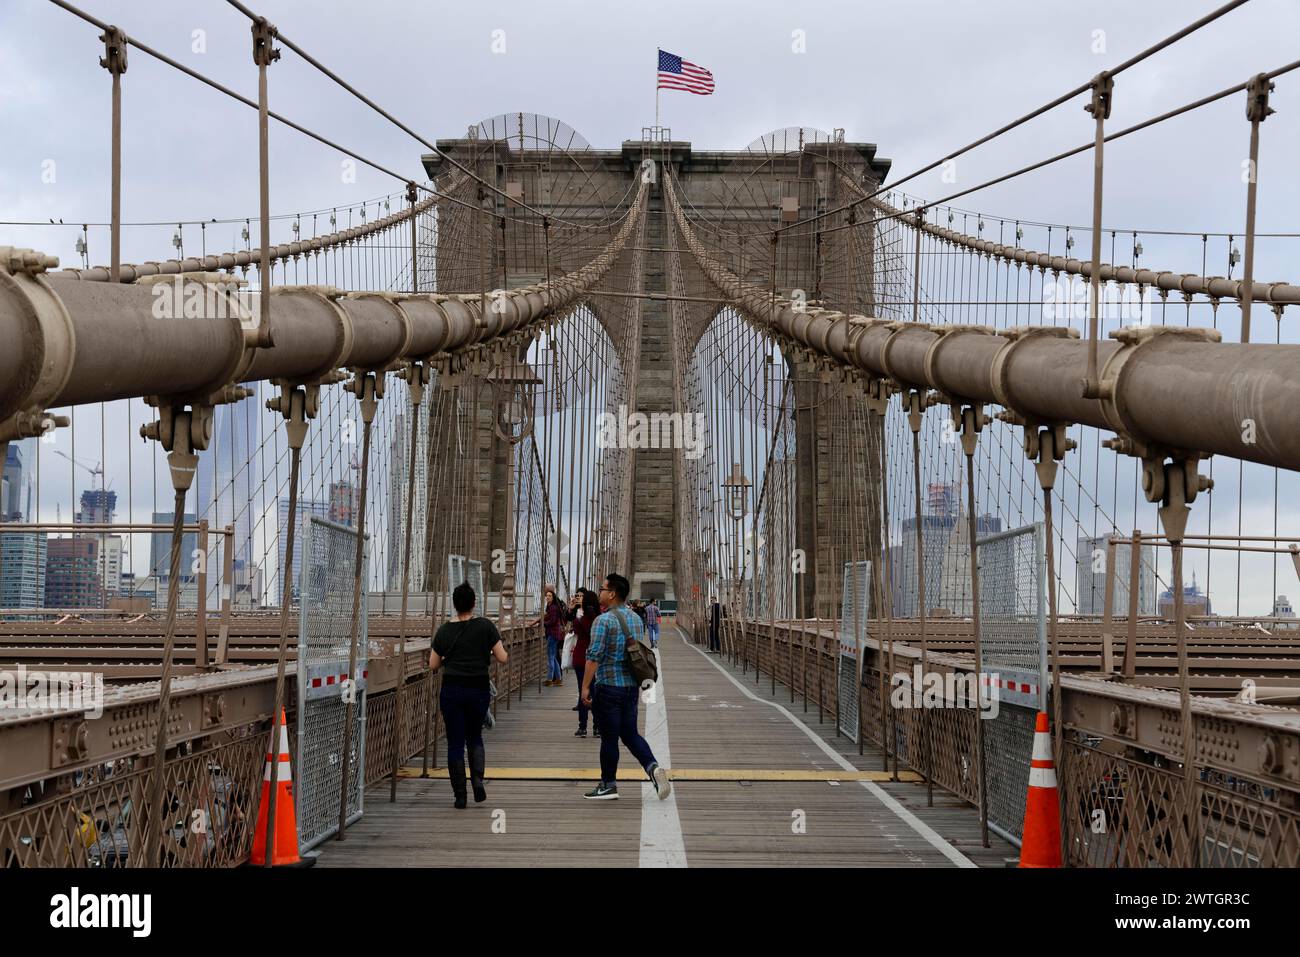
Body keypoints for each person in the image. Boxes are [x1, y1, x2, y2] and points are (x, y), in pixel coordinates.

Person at [580, 573, 671, 801]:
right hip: (630, 688)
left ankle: (608, 785)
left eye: (602, 588)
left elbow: (593, 657)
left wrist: (584, 688)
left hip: (608, 687)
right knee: (630, 734)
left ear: (611, 594)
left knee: (609, 738)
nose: (599, 592)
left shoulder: (603, 621)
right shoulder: (634, 619)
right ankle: (652, 767)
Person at [430, 582, 508, 809]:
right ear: (474, 603)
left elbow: (433, 664)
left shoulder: (444, 630)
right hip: (478, 689)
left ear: (454, 605)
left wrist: (447, 659)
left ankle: (460, 796)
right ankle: (477, 782)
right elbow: (503, 658)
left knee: (455, 742)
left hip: (452, 690)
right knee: (474, 737)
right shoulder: (485, 626)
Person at [570, 588, 601, 738]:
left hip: (581, 658)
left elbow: (575, 630)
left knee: (583, 691)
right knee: (596, 693)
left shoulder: (579, 620)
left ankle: (582, 727)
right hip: (597, 660)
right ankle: (597, 727)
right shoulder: (600, 619)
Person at [540, 585, 565, 687]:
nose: (547, 597)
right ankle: (558, 679)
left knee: (550, 657)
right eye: (546, 596)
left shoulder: (553, 608)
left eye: (550, 596)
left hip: (552, 634)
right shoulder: (551, 607)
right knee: (553, 657)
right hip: (554, 634)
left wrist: (544, 623)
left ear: (553, 597)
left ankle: (549, 679)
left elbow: (553, 621)